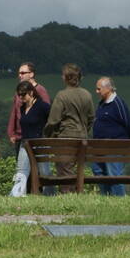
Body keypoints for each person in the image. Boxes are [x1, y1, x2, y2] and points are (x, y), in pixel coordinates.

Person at [43, 64, 95, 192]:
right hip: (82, 138)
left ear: (65, 78)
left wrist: (49, 134)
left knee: (65, 171)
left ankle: (67, 197)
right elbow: (91, 117)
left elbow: (53, 120)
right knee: (78, 170)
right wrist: (84, 130)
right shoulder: (87, 95)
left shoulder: (62, 96)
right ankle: (77, 195)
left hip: (65, 138)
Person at [92, 76, 130, 196]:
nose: (96, 92)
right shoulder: (101, 104)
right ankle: (106, 197)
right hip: (99, 146)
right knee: (98, 170)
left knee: (114, 174)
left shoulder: (118, 103)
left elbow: (129, 124)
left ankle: (119, 199)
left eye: (98, 89)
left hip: (115, 146)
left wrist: (127, 142)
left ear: (108, 88)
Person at [10, 80, 53, 196]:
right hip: (25, 143)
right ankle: (16, 195)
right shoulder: (23, 108)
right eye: (19, 95)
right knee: (21, 171)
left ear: (31, 92)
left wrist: (48, 133)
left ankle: (49, 195)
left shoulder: (42, 106)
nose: (21, 97)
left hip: (40, 142)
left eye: (23, 94)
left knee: (44, 171)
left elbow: (53, 120)